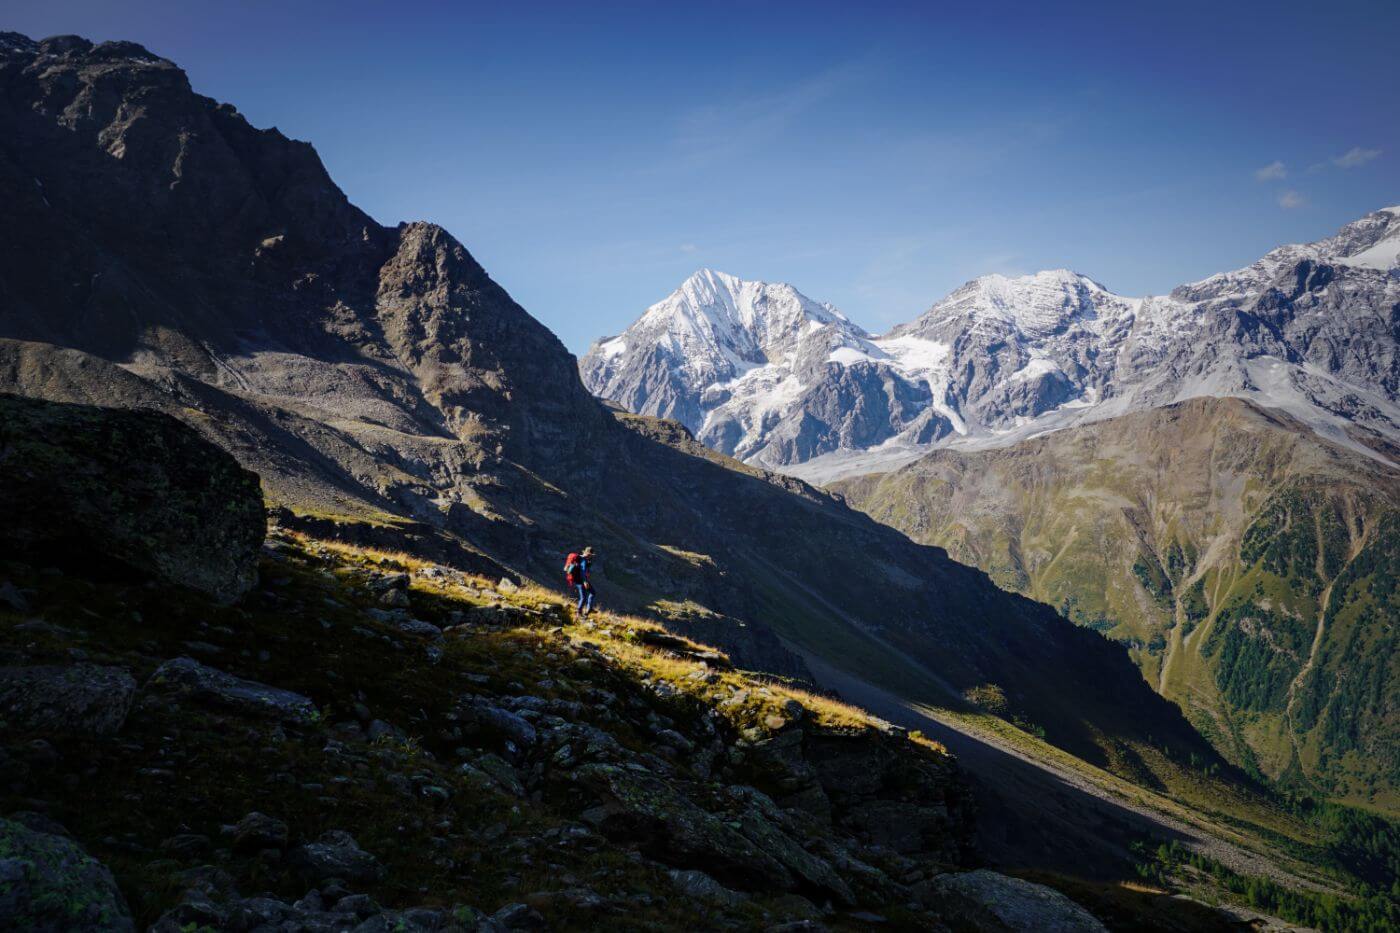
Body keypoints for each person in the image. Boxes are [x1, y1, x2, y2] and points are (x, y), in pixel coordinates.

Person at [564, 546, 596, 618]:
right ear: (587, 553)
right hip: (581, 581)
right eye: (590, 554)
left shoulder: (581, 559)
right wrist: (585, 581)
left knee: (592, 592)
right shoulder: (583, 560)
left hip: (579, 580)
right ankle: (579, 612)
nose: (590, 556)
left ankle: (589, 609)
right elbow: (582, 572)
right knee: (584, 597)